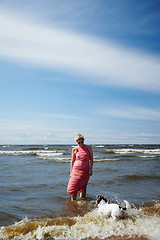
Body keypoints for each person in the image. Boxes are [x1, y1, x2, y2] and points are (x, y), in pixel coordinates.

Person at [67, 134, 93, 201]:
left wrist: (91, 170)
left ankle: (82, 201)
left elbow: (91, 159)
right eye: (79, 142)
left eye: (82, 142)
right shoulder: (75, 149)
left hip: (85, 170)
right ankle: (73, 202)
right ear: (76, 142)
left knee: (84, 186)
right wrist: (71, 172)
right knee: (73, 186)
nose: (80, 144)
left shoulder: (88, 147)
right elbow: (72, 161)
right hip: (76, 171)